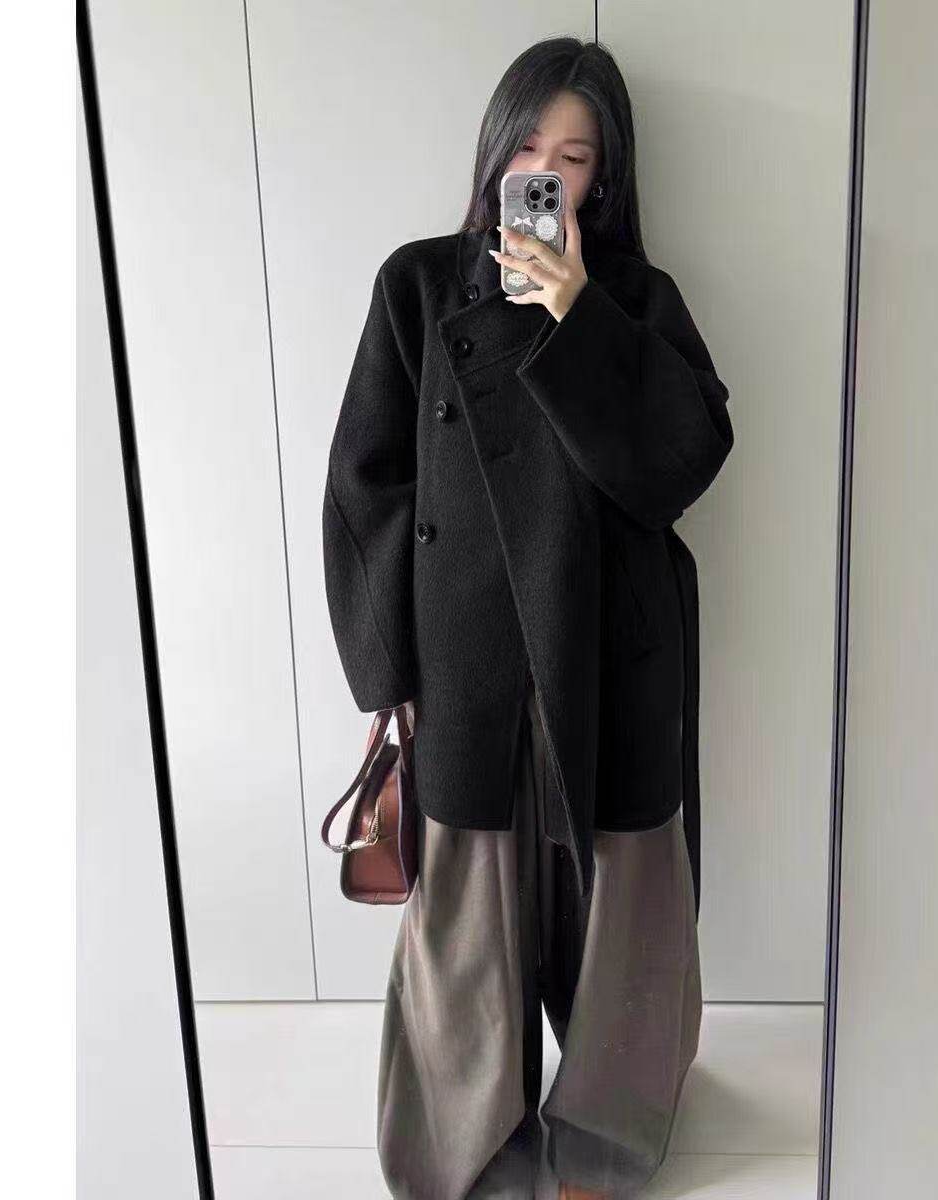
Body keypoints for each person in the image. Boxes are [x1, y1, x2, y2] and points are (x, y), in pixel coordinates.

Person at [323, 36, 734, 1200]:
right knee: (469, 916)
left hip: (614, 650)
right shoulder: (417, 285)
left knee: (626, 920)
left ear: (605, 177)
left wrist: (578, 312)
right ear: (496, 149)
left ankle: (605, 1136)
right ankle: (467, 1138)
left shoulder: (636, 299)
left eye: (577, 156)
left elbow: (683, 462)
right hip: (470, 655)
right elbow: (365, 485)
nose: (547, 172)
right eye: (530, 146)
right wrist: (387, 666)